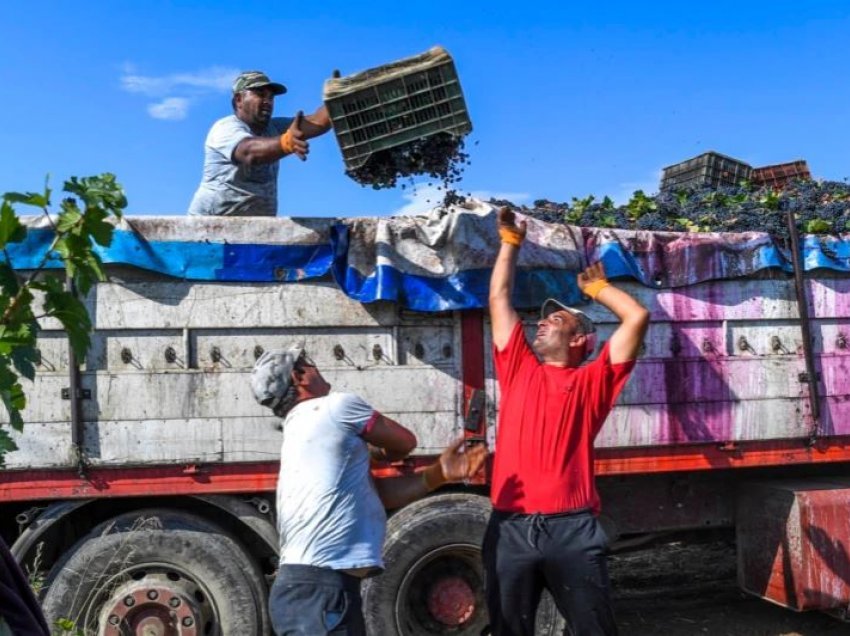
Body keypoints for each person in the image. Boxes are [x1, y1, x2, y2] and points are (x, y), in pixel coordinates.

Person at [483, 207, 650, 635]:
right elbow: (499, 299)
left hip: (572, 530)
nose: (541, 323)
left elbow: (636, 317)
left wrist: (598, 288)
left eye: (555, 320)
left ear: (579, 340)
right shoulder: (518, 367)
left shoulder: (593, 381)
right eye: (542, 318)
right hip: (511, 527)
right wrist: (509, 243)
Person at [251, 344, 487, 636]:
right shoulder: (335, 407)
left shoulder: (300, 431)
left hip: (310, 590)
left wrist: (438, 475)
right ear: (299, 377)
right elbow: (405, 442)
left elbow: (378, 496)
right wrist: (378, 451)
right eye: (308, 363)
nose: (317, 368)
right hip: (322, 591)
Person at [188, 70, 332, 217]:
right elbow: (248, 151)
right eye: (260, 95)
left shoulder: (275, 128)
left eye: (271, 97)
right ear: (239, 99)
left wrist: (337, 99)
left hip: (256, 230)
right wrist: (286, 142)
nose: (268, 101)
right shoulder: (225, 128)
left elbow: (317, 122)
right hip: (209, 229)